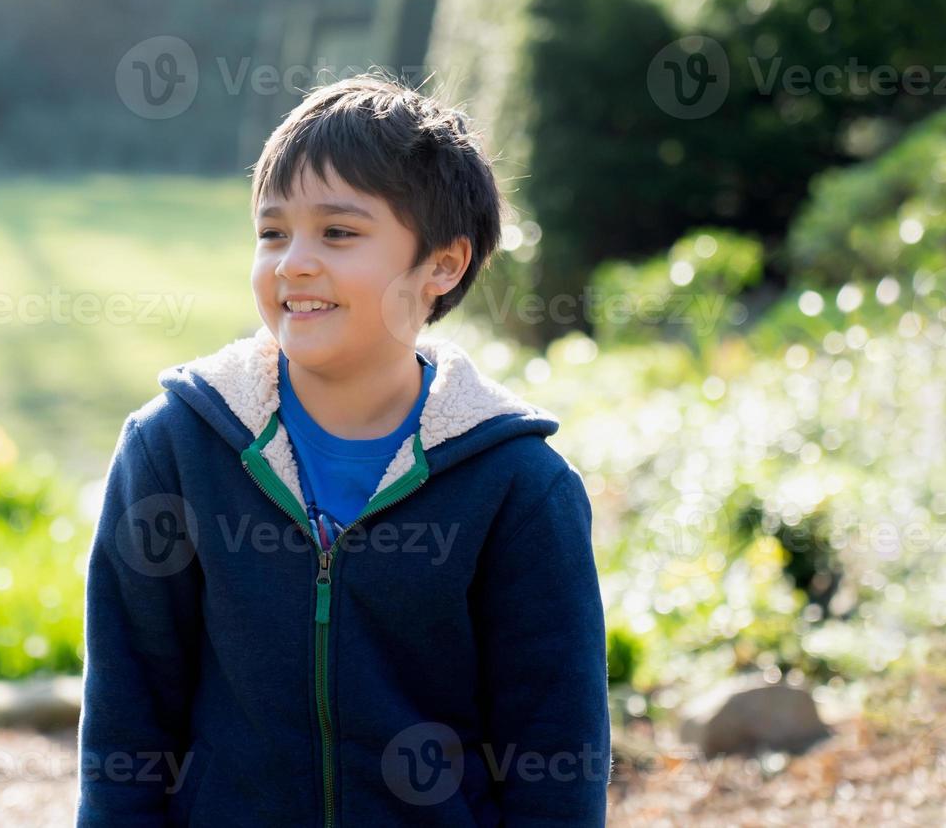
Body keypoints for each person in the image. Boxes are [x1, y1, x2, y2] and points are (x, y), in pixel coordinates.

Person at [77, 73, 610, 827]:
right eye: (272, 232)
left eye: (338, 232)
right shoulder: (173, 451)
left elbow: (556, 760)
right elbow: (126, 726)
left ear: (443, 265)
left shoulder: (519, 487)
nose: (293, 262)